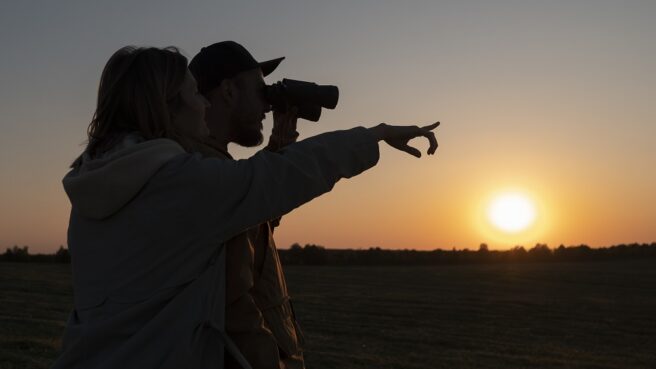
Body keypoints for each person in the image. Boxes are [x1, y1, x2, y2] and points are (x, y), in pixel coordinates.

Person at [52, 45, 439, 369]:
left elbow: (236, 210)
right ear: (167, 106)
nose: (203, 106)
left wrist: (276, 150)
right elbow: (279, 178)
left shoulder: (99, 182)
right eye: (194, 95)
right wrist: (377, 134)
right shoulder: (182, 184)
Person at [186, 40, 307, 369]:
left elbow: (252, 220)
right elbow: (237, 314)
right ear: (227, 91)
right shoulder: (204, 178)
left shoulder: (208, 168)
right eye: (259, 91)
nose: (268, 106)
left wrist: (280, 145)